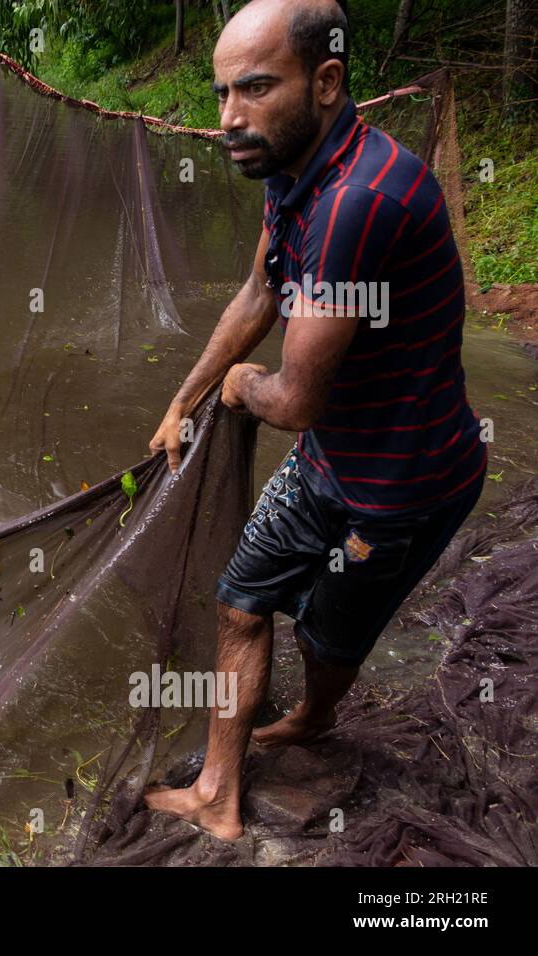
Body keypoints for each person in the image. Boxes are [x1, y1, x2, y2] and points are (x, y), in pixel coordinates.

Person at [144, 0, 486, 840]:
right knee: (242, 603)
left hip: (400, 487)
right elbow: (260, 291)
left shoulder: (356, 203)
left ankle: (313, 718)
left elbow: (293, 402)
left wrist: (241, 390)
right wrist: (184, 398)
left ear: (326, 81)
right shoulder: (293, 169)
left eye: (254, 89)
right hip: (333, 456)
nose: (229, 119)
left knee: (331, 640)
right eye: (222, 93)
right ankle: (218, 794)